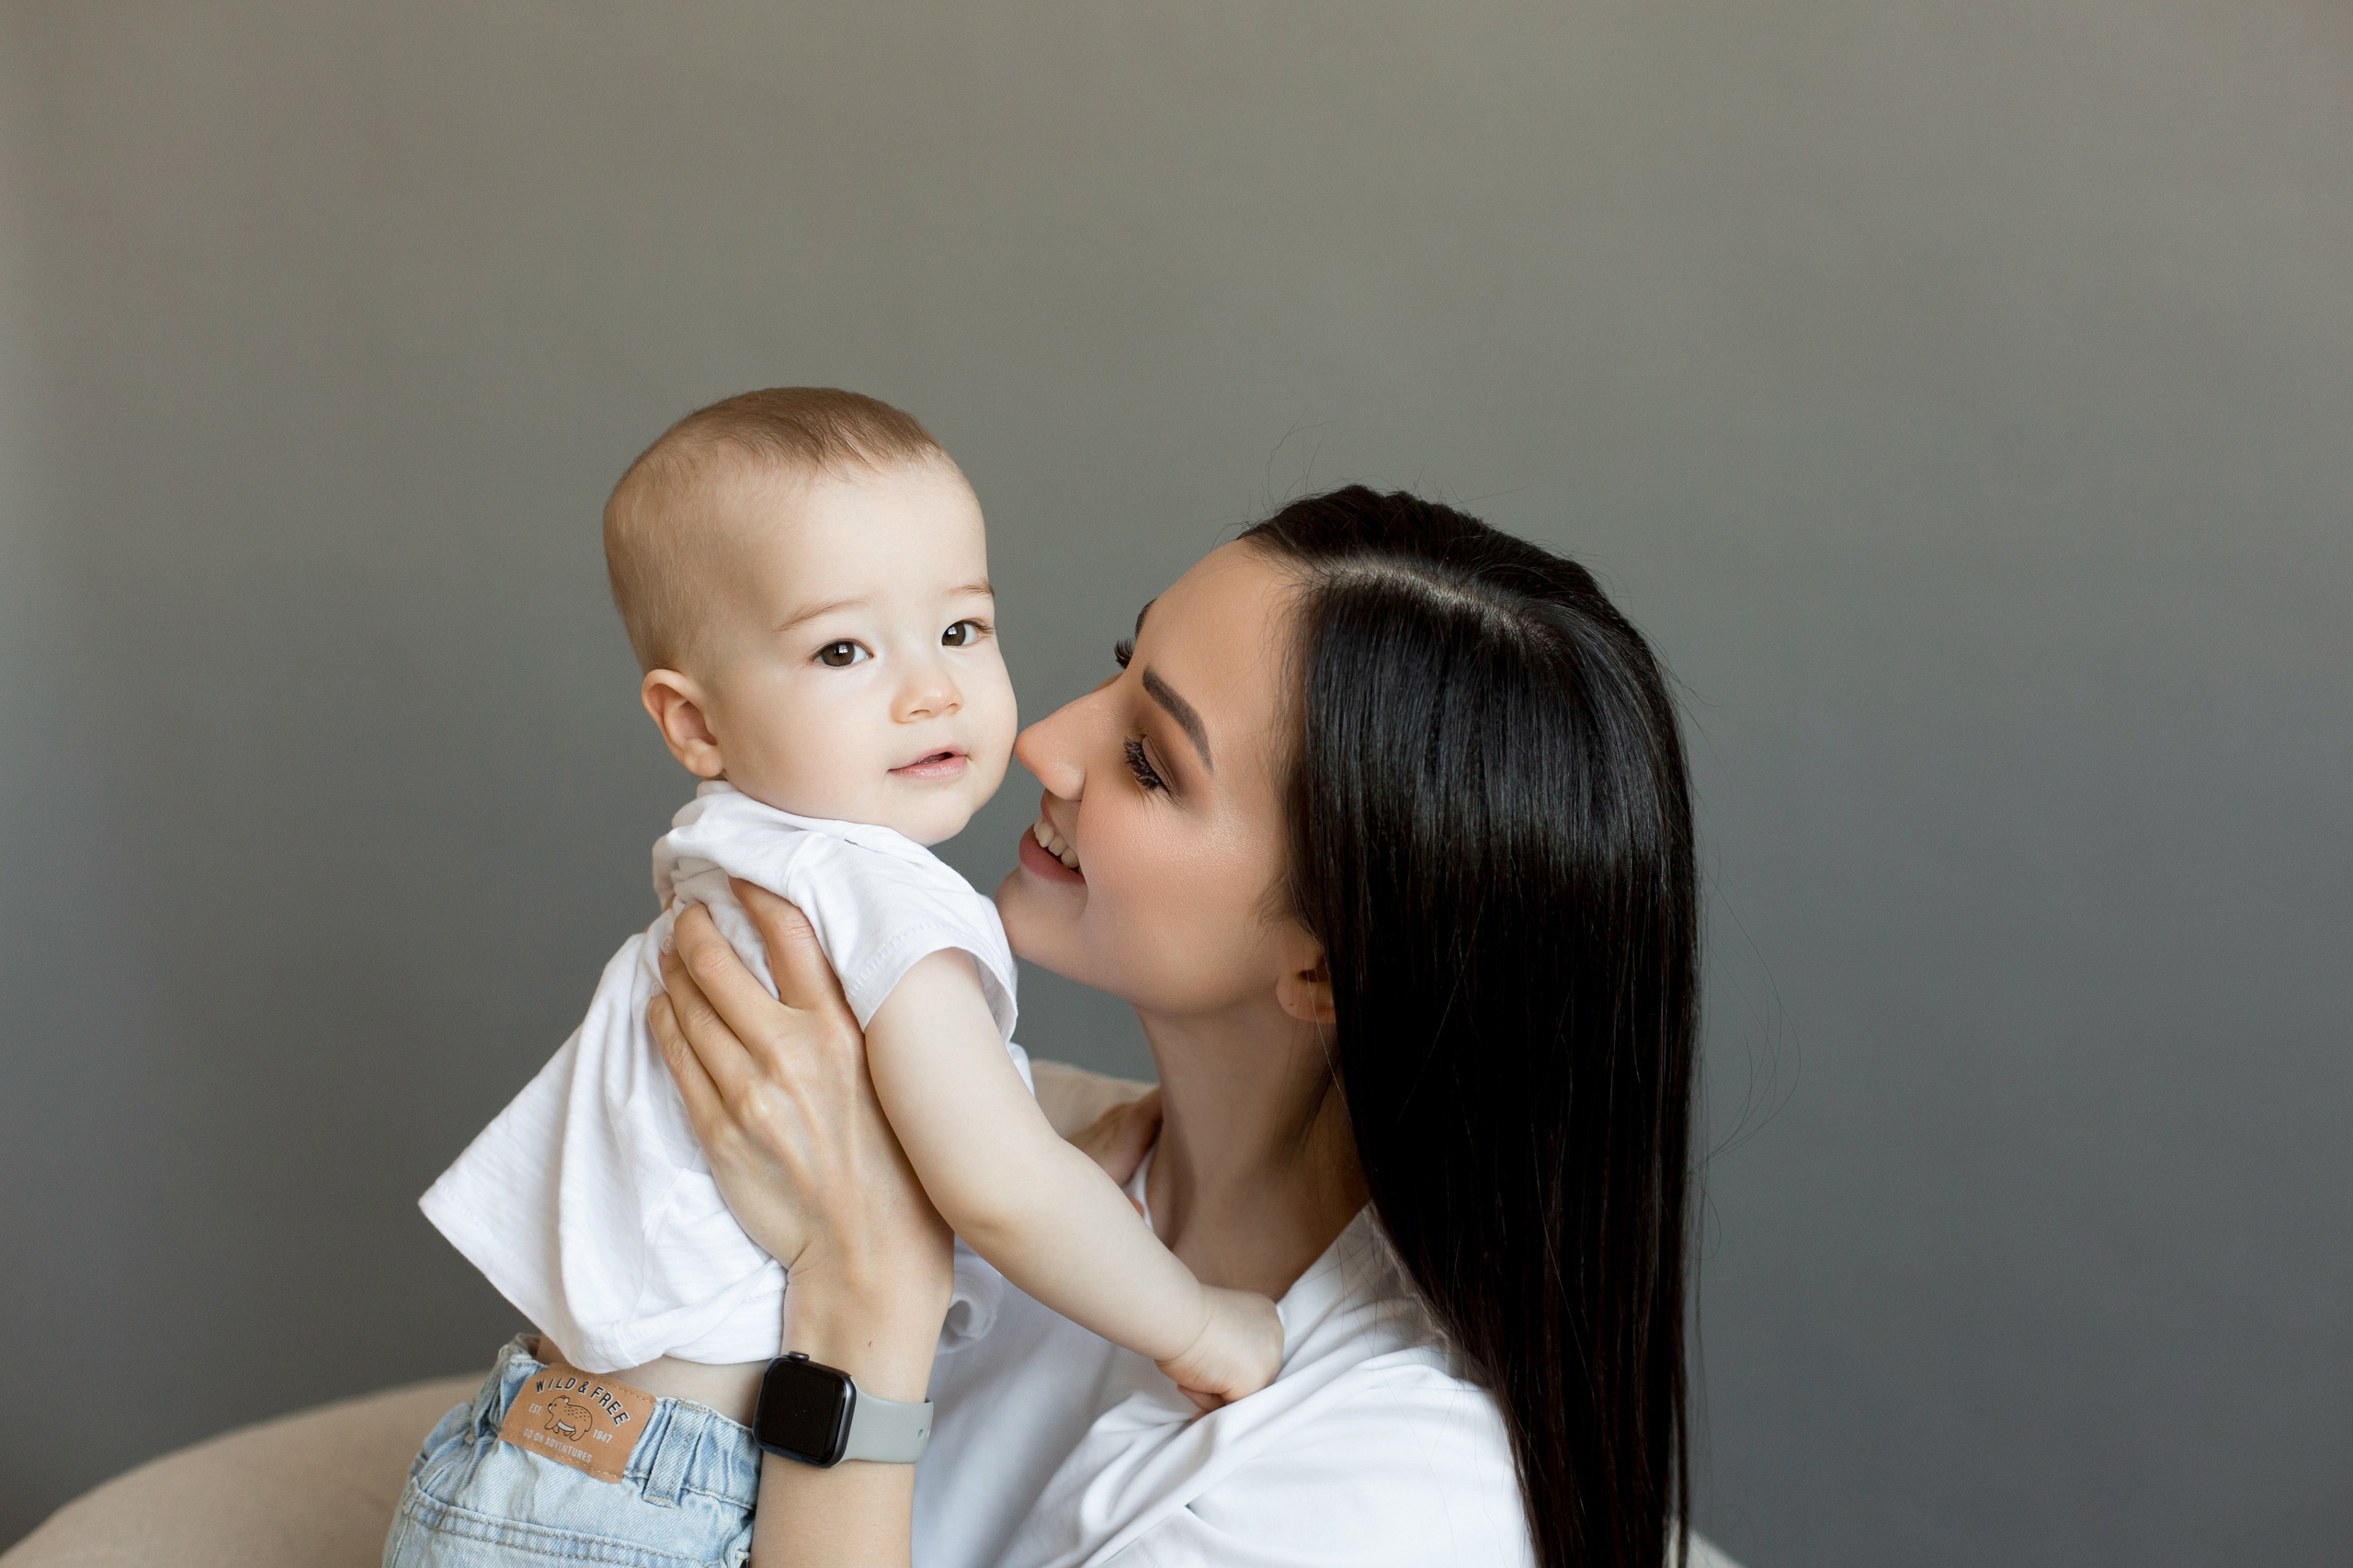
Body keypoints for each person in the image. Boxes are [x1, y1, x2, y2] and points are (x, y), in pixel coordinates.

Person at [651, 486, 1717, 1568]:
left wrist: (860, 1294)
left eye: (1151, 760)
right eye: (1122, 663)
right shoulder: (980, 1137)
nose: (1042, 741)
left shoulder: (1383, 1499)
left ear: (1325, 961)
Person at [386, 390, 1280, 1568]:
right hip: (661, 1498)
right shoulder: (871, 886)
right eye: (843, 650)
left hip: (517, 1449)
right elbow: (994, 1185)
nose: (929, 690)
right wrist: (1198, 1322)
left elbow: (896, 1133)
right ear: (694, 722)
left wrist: (1078, 1140)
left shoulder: (726, 858)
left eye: (961, 629)